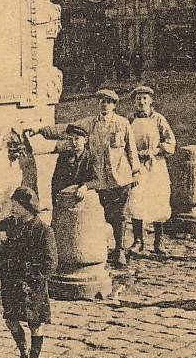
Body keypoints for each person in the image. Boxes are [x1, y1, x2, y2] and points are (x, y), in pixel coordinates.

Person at [38, 87, 138, 267]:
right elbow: (66, 129)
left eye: (108, 102)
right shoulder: (90, 123)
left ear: (114, 105)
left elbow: (131, 149)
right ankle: (101, 248)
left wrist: (136, 171)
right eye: (101, 101)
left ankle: (120, 250)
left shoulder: (122, 123)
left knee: (120, 215)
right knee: (103, 214)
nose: (104, 105)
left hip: (120, 176)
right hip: (99, 179)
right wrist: (41, 131)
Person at [0, 186, 58, 358]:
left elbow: (50, 264)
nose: (12, 207)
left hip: (32, 285)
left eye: (15, 204)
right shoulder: (12, 225)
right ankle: (23, 355)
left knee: (34, 324)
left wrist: (31, 278)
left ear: (26, 207)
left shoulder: (44, 230)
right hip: (11, 282)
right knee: (11, 319)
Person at [127, 86, 176, 258]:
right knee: (136, 199)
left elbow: (171, 142)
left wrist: (154, 151)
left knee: (158, 200)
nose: (141, 102)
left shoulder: (158, 119)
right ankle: (138, 241)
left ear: (151, 101)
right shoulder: (130, 120)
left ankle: (158, 240)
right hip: (137, 166)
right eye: (138, 99)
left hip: (156, 166)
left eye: (145, 99)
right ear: (134, 102)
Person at [45, 125, 97, 203]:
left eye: (77, 139)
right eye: (70, 139)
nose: (73, 142)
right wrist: (55, 204)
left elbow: (98, 179)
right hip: (65, 200)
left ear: (85, 140)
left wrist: (85, 186)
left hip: (86, 200)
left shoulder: (92, 157)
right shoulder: (64, 156)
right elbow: (56, 181)